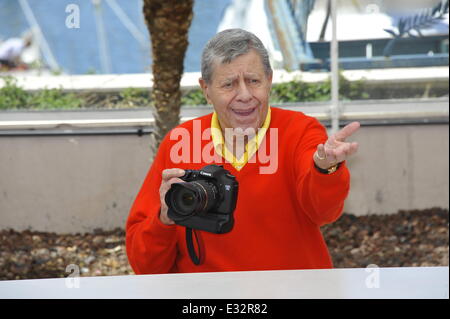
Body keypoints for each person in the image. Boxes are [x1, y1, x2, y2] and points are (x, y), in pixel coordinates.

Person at [126, 28, 360, 274]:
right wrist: (164, 219)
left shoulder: (301, 130)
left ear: (269, 80)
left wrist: (326, 168)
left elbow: (324, 213)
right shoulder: (180, 141)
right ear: (206, 89)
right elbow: (145, 266)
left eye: (253, 81)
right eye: (229, 84)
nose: (245, 95)